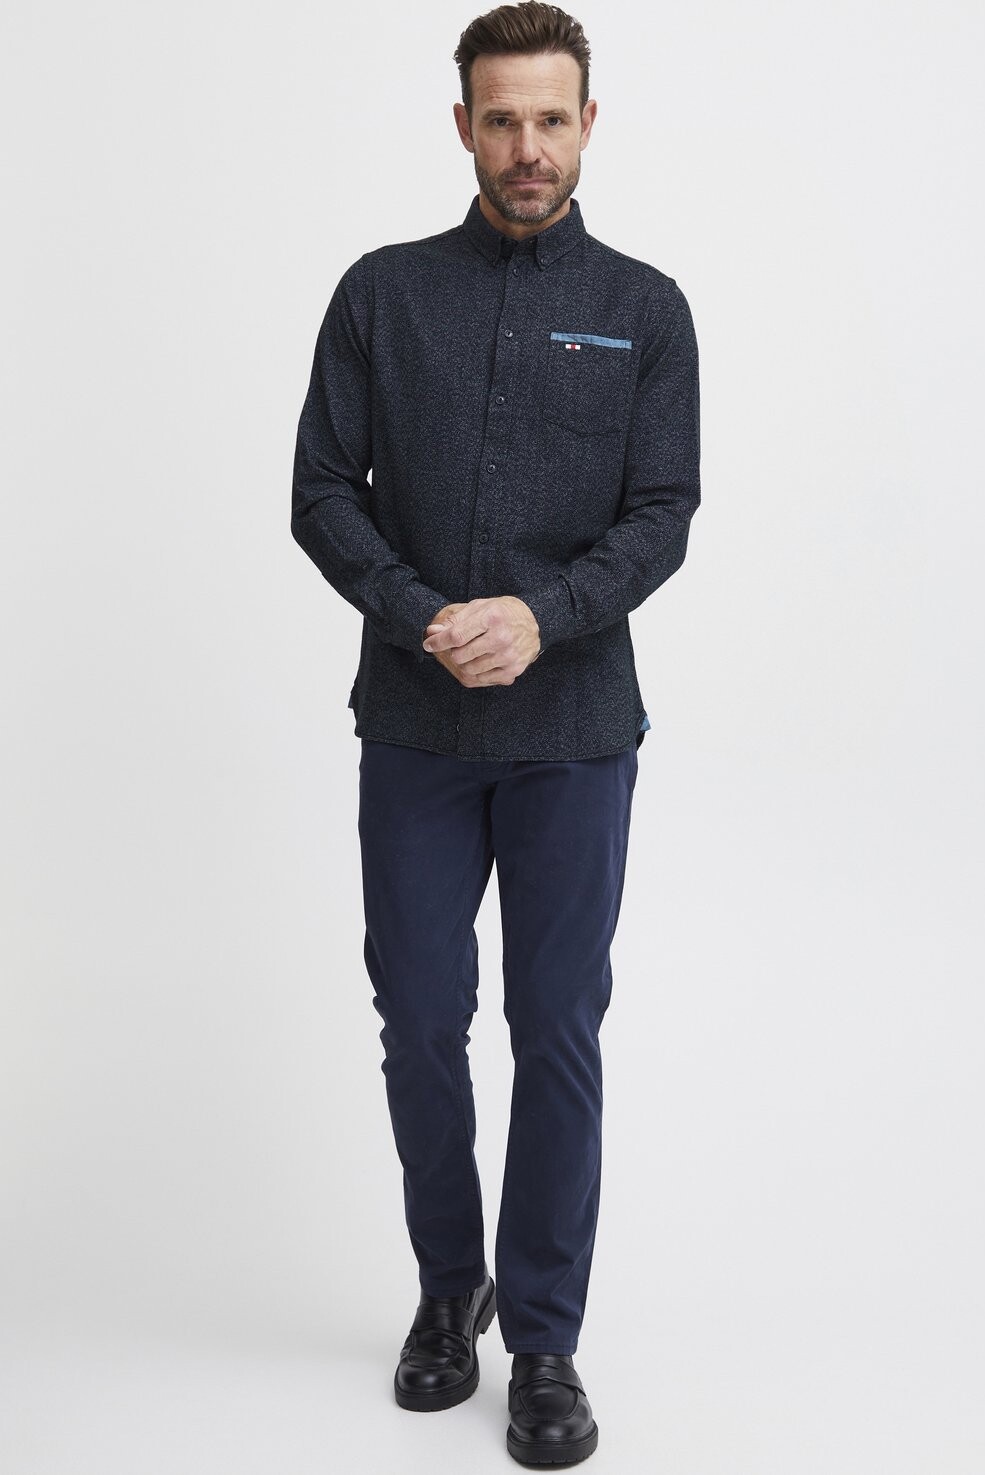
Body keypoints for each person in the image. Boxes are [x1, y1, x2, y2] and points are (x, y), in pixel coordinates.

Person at [291, 2, 701, 1463]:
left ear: (590, 124)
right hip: (414, 723)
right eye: (504, 119)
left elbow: (664, 513)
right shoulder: (382, 293)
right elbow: (322, 490)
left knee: (557, 1029)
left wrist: (545, 614)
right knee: (418, 1020)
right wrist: (421, 617)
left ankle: (542, 1342)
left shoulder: (647, 308)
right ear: (463, 125)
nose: (530, 147)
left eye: (553, 118)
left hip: (574, 730)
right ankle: (445, 1285)